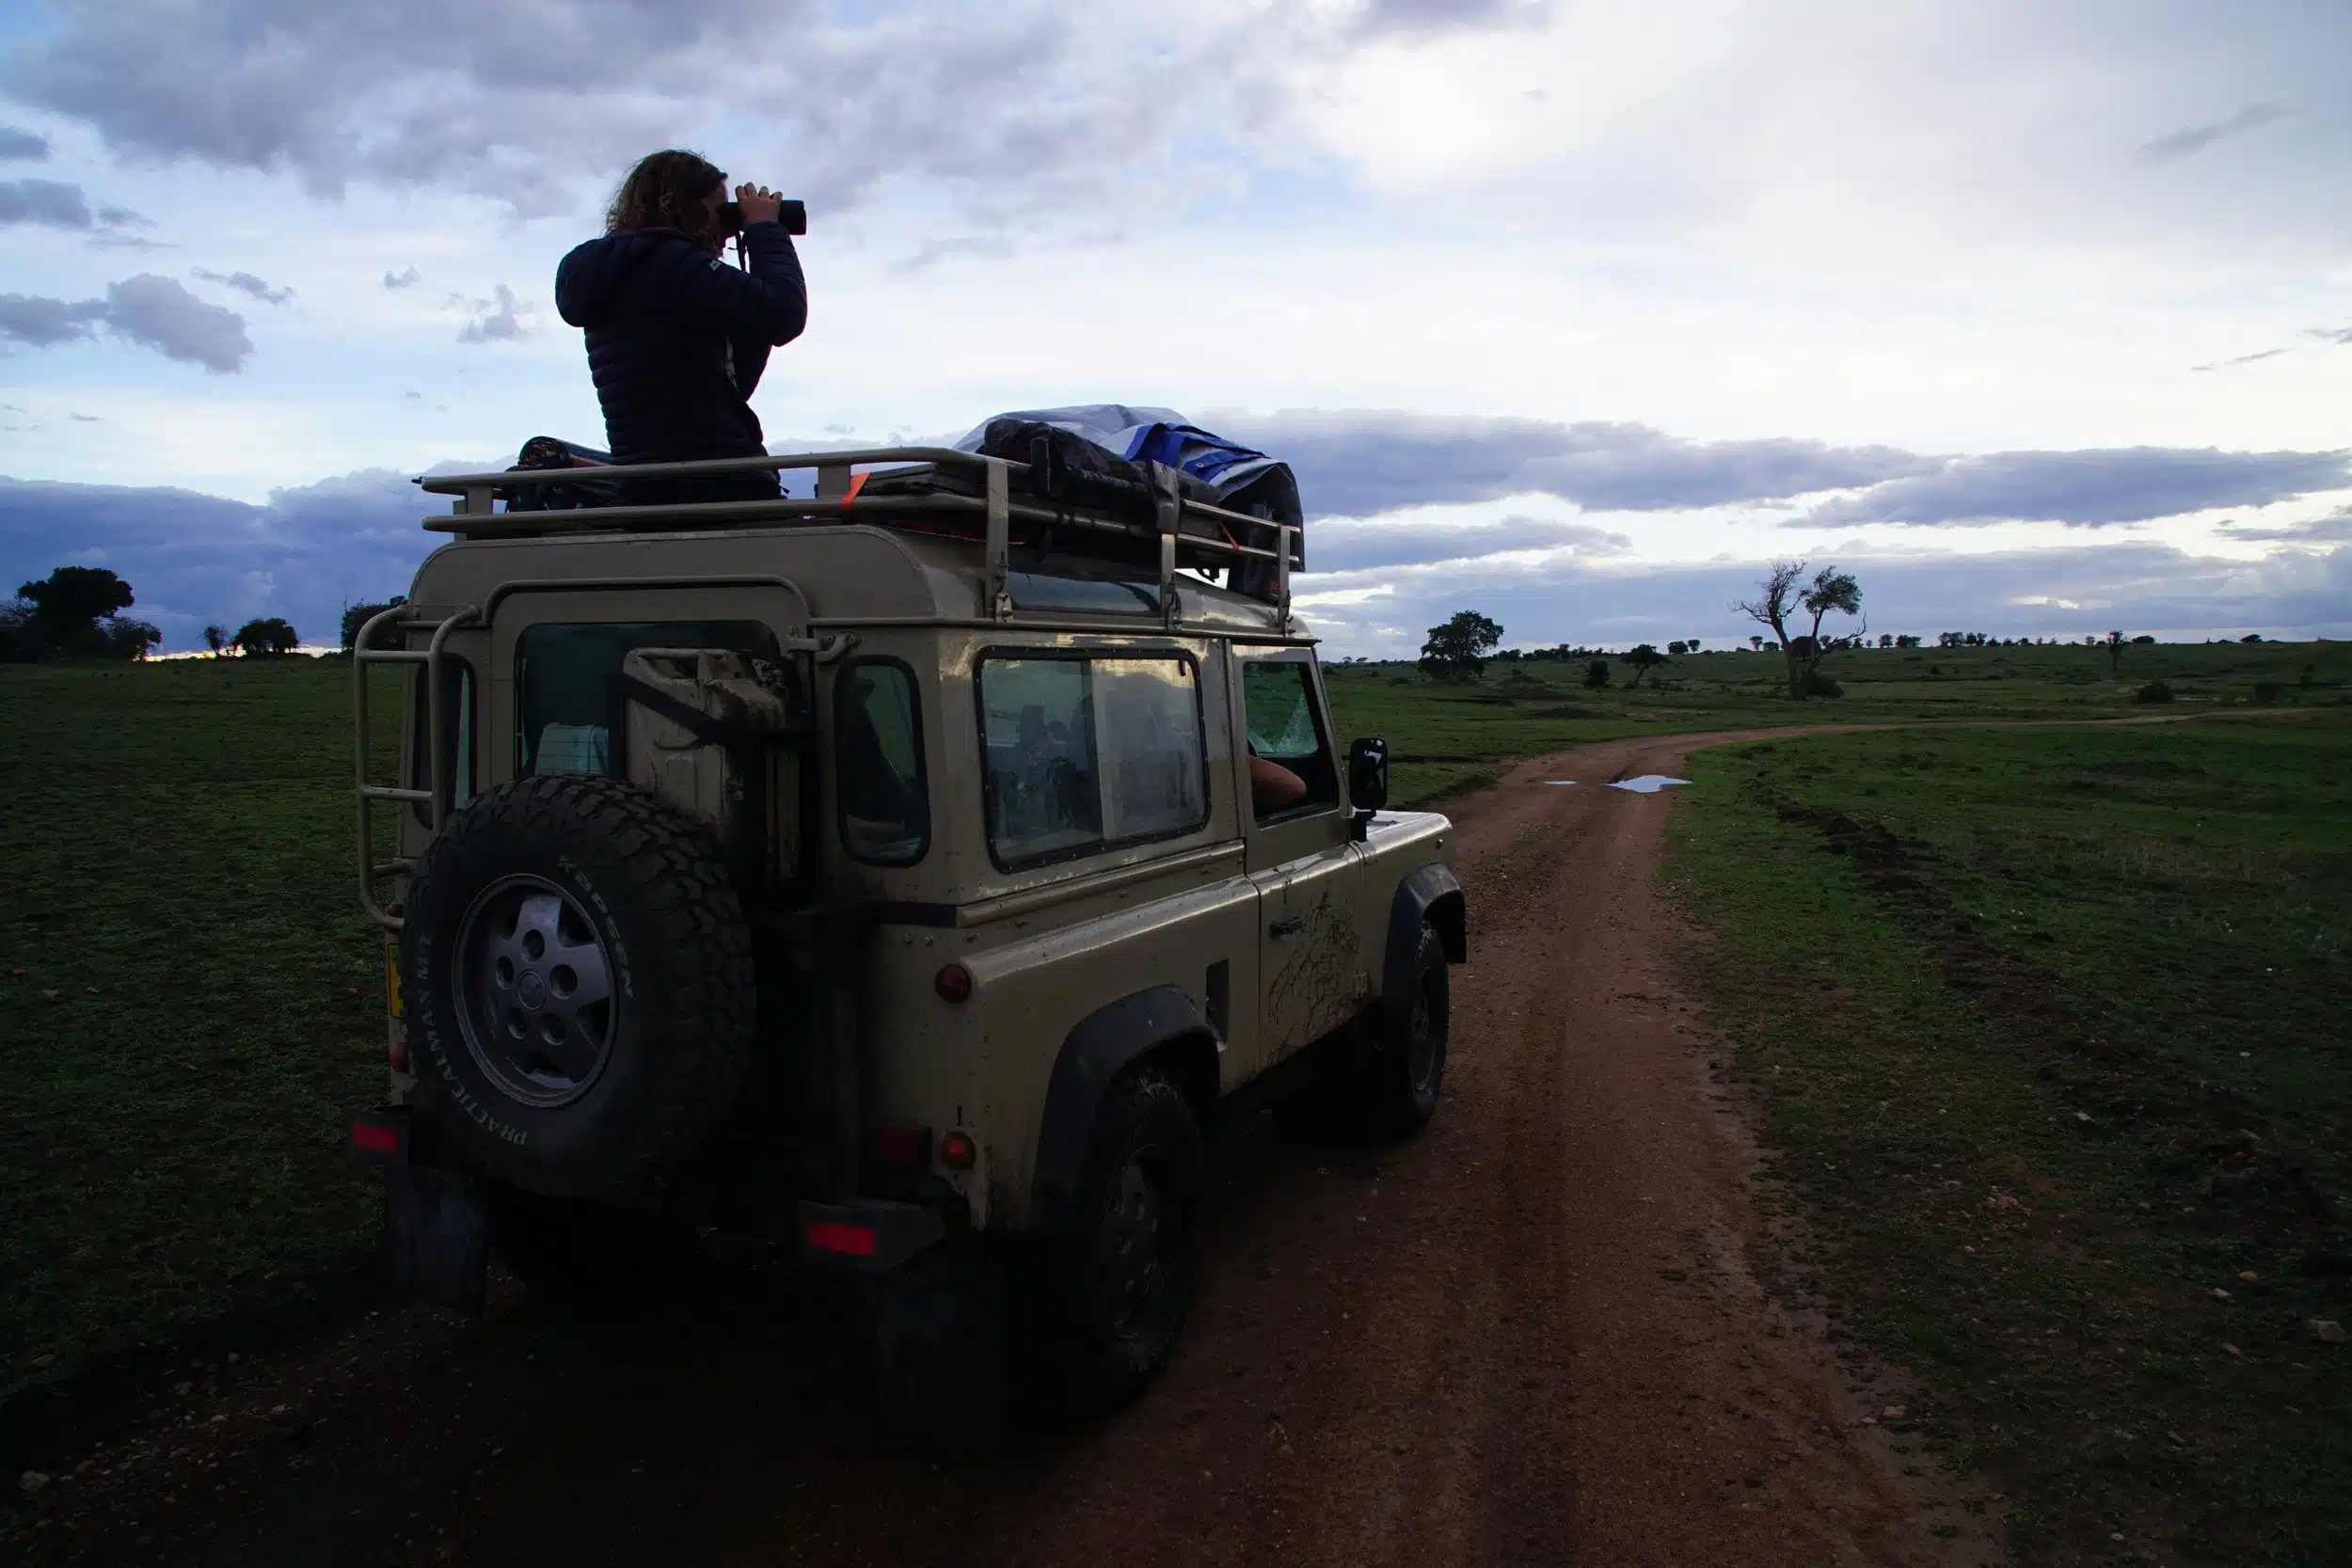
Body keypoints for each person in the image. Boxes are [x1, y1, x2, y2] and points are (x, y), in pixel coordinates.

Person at [553, 150, 807, 506]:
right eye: (719, 210)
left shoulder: (614, 273)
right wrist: (765, 230)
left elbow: (731, 389)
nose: (725, 225)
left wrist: (749, 294)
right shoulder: (673, 265)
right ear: (685, 205)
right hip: (716, 482)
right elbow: (786, 314)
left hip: (643, 485)